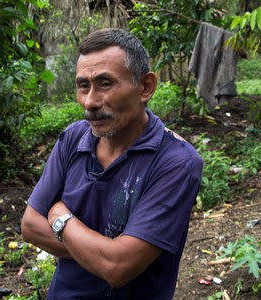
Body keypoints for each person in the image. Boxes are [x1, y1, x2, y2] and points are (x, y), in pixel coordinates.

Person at [21, 28, 203, 300]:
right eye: (83, 85)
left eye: (105, 83)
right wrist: (104, 253)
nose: (91, 101)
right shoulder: (73, 138)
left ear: (145, 87)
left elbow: (118, 268)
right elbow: (30, 225)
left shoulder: (176, 163)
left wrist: (60, 218)